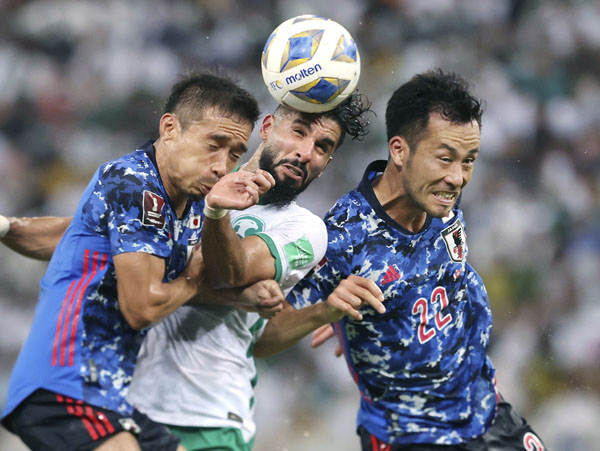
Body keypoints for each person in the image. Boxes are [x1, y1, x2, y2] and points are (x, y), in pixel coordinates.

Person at [0, 92, 382, 451]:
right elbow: (99, 234)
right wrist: (6, 226)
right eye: (298, 132)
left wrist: (216, 215)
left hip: (206, 414)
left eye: (323, 147)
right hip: (126, 397)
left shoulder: (304, 228)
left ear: (328, 164)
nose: (305, 153)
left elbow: (226, 274)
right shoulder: (191, 185)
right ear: (267, 128)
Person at [282, 69, 548, 450]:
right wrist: (324, 311)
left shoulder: (441, 199)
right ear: (399, 150)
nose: (458, 177)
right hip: (408, 434)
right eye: (445, 158)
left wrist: (361, 321)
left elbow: (423, 274)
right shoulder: (344, 236)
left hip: (486, 413)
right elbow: (266, 335)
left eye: (469, 160)